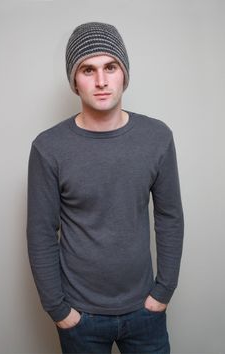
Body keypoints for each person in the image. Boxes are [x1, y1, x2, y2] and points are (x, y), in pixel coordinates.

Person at [27, 22, 184, 354]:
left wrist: (164, 291)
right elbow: (41, 232)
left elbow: (169, 217)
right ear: (74, 80)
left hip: (146, 309)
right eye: (88, 69)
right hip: (79, 317)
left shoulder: (157, 138)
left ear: (124, 73)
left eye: (110, 67)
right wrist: (59, 310)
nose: (101, 81)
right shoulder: (48, 147)